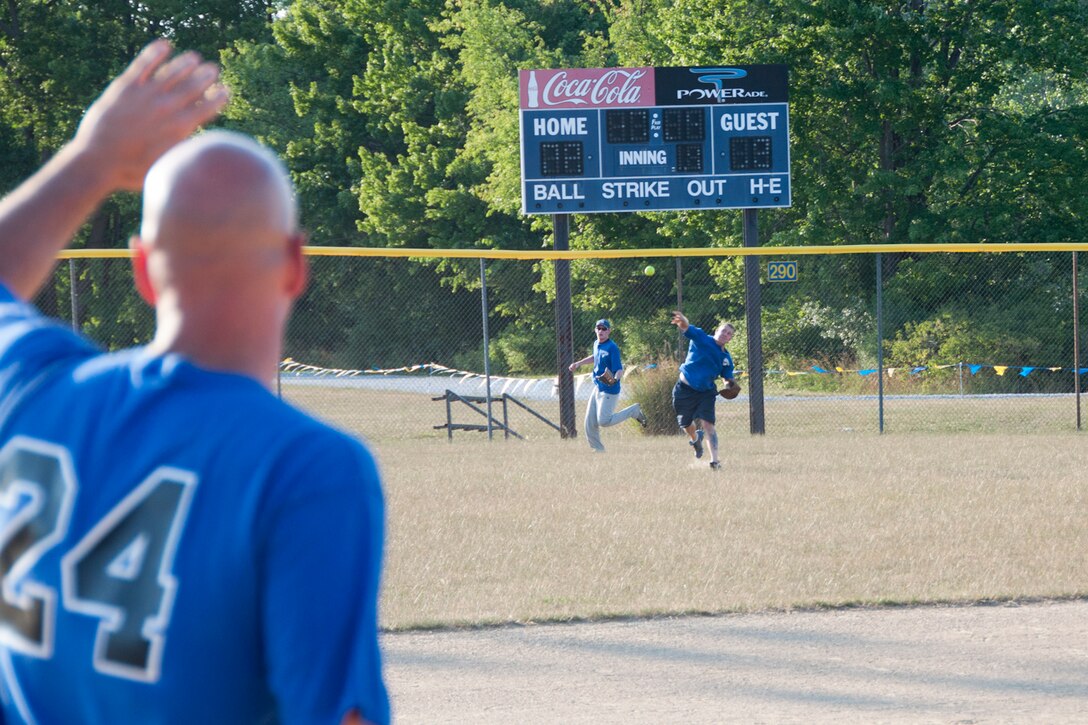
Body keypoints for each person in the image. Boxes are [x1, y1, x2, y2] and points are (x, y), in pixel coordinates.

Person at [0, 41, 389, 725]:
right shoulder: (307, 468)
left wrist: (91, 161)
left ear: (143, 270)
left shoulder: (31, 388)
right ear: (296, 264)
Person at [670, 311, 736, 470]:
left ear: (730, 339)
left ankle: (714, 461)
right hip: (684, 390)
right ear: (716, 331)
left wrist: (729, 385)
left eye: (729, 334)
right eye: (723, 331)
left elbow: (727, 377)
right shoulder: (702, 339)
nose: (725, 334)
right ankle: (695, 439)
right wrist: (683, 321)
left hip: (706, 392)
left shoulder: (726, 358)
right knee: (685, 424)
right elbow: (687, 328)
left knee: (708, 424)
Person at [568, 319, 647, 452]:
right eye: (598, 328)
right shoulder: (596, 343)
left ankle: (633, 411)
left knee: (603, 421)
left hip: (610, 390)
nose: (601, 331)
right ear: (595, 330)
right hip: (598, 386)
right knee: (589, 421)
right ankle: (598, 450)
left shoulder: (612, 347)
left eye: (604, 329)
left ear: (609, 331)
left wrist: (615, 380)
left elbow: (619, 369)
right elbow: (595, 357)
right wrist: (578, 363)